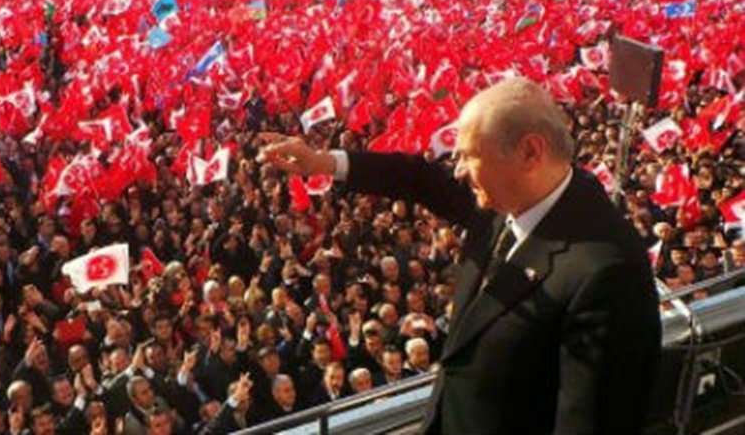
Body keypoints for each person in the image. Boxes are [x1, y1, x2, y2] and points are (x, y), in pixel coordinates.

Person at [258, 77, 662, 434]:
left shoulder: (608, 272)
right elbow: (419, 178)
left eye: (470, 155)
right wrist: (321, 162)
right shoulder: (506, 198)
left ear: (530, 153)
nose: (458, 172)